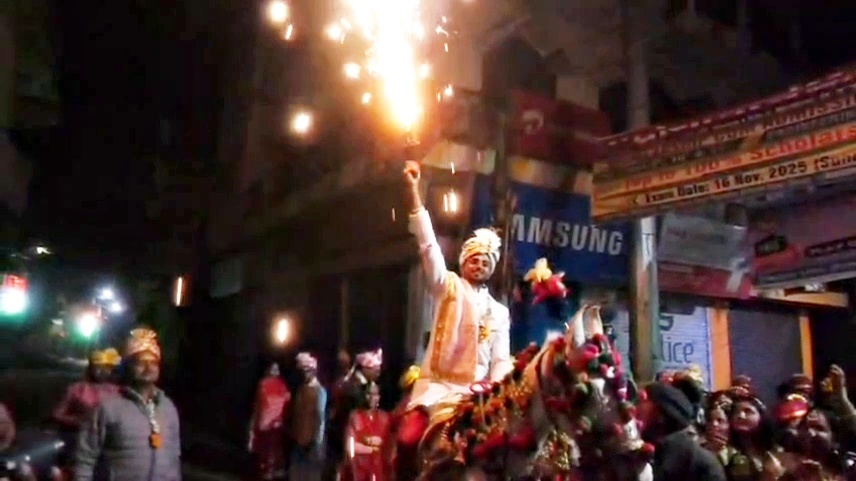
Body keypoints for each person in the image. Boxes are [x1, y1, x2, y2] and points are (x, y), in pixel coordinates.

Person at [397, 161, 513, 467]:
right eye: (474, 260)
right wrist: (414, 193)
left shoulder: (500, 313)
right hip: (438, 390)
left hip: (479, 398)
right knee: (407, 440)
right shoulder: (446, 285)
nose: (479, 266)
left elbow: (501, 359)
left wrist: (497, 389)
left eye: (486, 262)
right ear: (463, 262)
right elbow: (429, 247)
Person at [74, 328, 181, 481]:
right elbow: (85, 459)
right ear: (128, 366)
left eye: (153, 362)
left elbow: (174, 457)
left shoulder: (168, 408)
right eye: (141, 362)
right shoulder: (108, 408)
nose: (148, 367)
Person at [638, 381, 727, 481]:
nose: (635, 408)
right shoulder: (637, 452)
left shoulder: (698, 462)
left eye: (642, 401)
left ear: (661, 413)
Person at [328, 349, 383, 479]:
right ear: (365, 369)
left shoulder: (363, 385)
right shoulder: (353, 388)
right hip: (347, 439)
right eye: (375, 368)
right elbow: (349, 419)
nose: (378, 372)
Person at [249, 363, 291, 481]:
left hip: (275, 427)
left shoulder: (282, 386)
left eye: (276, 369)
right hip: (263, 426)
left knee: (271, 456)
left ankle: (269, 474)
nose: (274, 371)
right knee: (262, 456)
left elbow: (287, 402)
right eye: (272, 369)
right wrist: (253, 426)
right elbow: (258, 405)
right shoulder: (262, 385)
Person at [290, 352, 327, 481]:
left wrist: (318, 441)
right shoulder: (301, 389)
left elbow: (320, 417)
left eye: (307, 371)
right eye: (303, 371)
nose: (305, 374)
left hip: (311, 442)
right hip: (298, 438)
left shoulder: (319, 391)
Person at [343, 382, 391, 481]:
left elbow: (388, 446)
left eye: (375, 394)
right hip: (358, 470)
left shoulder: (385, 418)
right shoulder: (355, 417)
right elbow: (351, 447)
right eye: (369, 394)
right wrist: (372, 448)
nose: (371, 398)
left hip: (379, 471)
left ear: (379, 397)